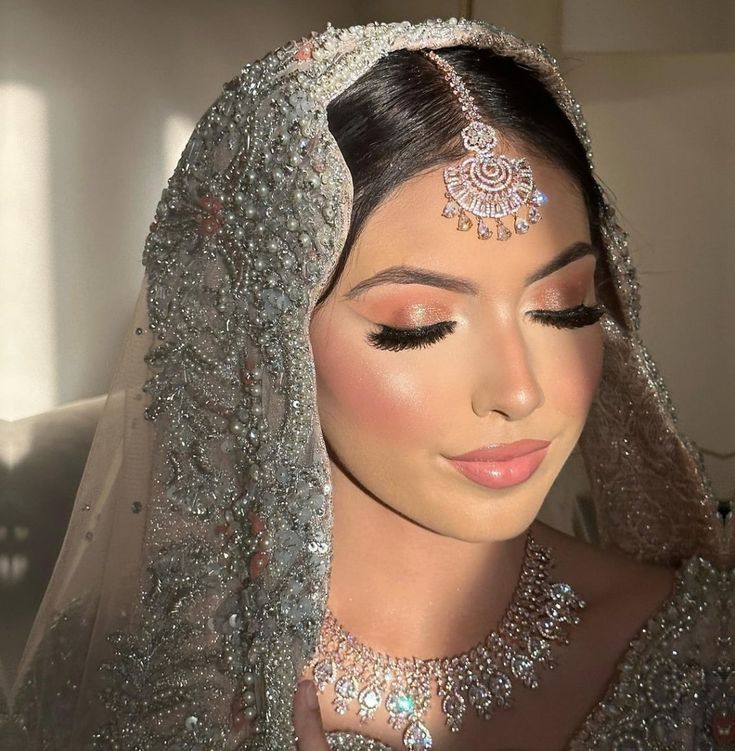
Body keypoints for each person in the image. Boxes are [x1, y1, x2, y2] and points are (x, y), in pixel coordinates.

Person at [7, 18, 733, 751]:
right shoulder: (152, 679)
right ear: (262, 341)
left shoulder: (704, 655)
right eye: (417, 324)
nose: (518, 391)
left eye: (562, 307)